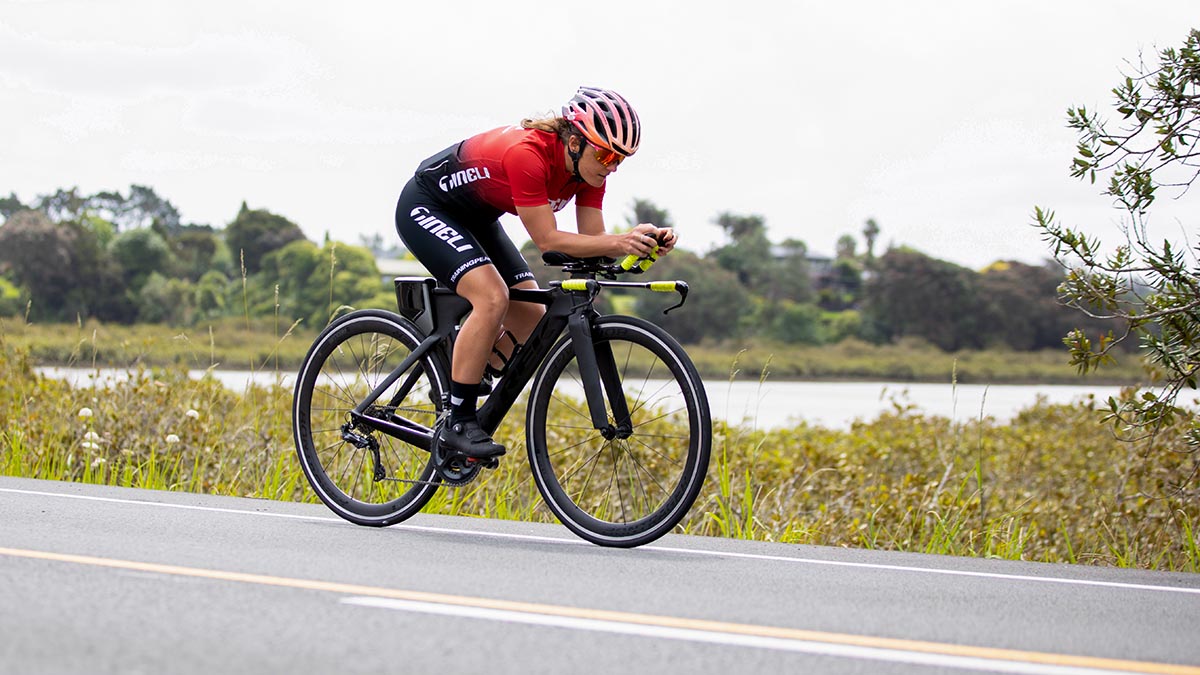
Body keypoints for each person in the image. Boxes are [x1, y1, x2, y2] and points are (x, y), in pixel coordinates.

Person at [394, 86, 676, 459]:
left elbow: (594, 240)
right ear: (575, 142)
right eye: (607, 154)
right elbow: (548, 240)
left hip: (477, 218)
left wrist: (639, 243)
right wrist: (620, 242)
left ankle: (464, 370)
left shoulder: (590, 172)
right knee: (492, 298)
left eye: (620, 159)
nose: (612, 166)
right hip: (426, 206)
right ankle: (459, 421)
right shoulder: (528, 155)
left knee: (531, 319)